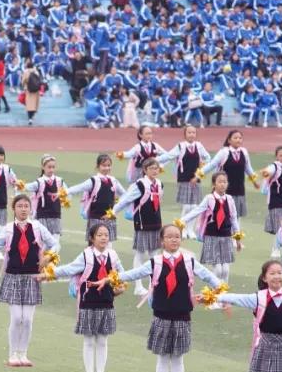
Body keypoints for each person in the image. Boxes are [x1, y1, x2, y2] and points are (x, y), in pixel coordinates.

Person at [111, 225, 223, 372]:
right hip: (161, 316)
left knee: (178, 358)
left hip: (182, 316)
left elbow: (211, 278)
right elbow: (132, 274)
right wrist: (110, 278)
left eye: (177, 237)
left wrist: (218, 293)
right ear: (161, 241)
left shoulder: (189, 261)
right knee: (163, 358)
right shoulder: (155, 262)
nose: (174, 240)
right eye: (169, 237)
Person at [0, 194, 60, 366]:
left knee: (27, 319)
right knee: (16, 318)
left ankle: (23, 353)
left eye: (26, 206)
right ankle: (13, 353)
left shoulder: (37, 227)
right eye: (19, 206)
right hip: (12, 277)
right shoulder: (8, 229)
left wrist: (48, 257)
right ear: (13, 209)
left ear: (30, 208)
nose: (23, 209)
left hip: (32, 277)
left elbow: (55, 244)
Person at [41, 222, 124, 372]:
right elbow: (70, 269)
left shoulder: (113, 256)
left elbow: (122, 274)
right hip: (88, 302)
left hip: (106, 302)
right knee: (88, 341)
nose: (103, 238)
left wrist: (122, 284)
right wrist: (48, 273)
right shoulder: (86, 255)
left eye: (106, 235)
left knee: (102, 341)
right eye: (99, 235)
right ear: (92, 238)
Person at [113, 158, 164, 296]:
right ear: (145, 170)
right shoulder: (140, 185)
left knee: (154, 255)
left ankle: (153, 285)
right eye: (151, 168)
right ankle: (138, 286)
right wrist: (113, 211)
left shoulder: (159, 184)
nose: (154, 171)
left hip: (156, 224)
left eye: (156, 168)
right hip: (142, 224)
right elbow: (126, 199)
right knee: (140, 254)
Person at [156, 125, 211, 240]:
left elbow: (208, 158)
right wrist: (155, 160)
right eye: (189, 132)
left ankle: (191, 229)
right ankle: (183, 228)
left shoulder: (199, 146)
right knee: (186, 206)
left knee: (195, 205)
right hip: (184, 178)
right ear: (185, 134)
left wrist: (201, 170)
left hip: (196, 179)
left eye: (193, 132)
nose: (191, 134)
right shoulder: (180, 146)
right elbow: (169, 155)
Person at [196, 130, 259, 219]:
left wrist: (254, 182)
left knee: (236, 215)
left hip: (239, 188)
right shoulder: (224, 152)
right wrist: (198, 175)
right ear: (229, 140)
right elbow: (212, 165)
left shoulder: (244, 152)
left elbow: (248, 168)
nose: (238, 140)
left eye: (240, 138)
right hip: (224, 189)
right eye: (235, 138)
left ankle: (236, 233)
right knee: (223, 215)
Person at [67, 154, 126, 241]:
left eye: (109, 165)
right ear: (98, 166)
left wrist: (116, 209)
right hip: (95, 218)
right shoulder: (93, 181)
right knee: (93, 246)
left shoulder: (114, 181)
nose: (106, 168)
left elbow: (125, 195)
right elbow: (79, 187)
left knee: (108, 247)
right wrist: (66, 192)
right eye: (104, 165)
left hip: (109, 218)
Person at [22, 155, 68, 235]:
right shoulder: (39, 182)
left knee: (55, 242)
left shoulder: (59, 181)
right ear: (43, 167)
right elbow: (26, 187)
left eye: (53, 167)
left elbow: (67, 192)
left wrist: (64, 200)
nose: (51, 170)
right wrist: (20, 185)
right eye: (49, 167)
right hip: (42, 216)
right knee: (42, 242)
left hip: (55, 215)